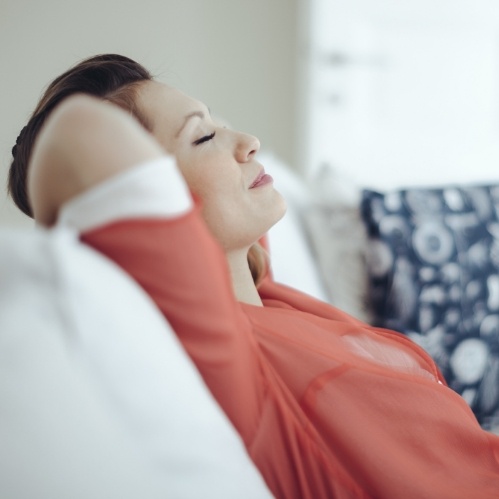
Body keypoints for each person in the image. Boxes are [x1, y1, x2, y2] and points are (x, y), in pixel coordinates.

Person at [9, 54, 499, 498]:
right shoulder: (229, 355)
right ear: (154, 197)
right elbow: (81, 136)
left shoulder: (270, 296)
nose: (248, 142)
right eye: (203, 137)